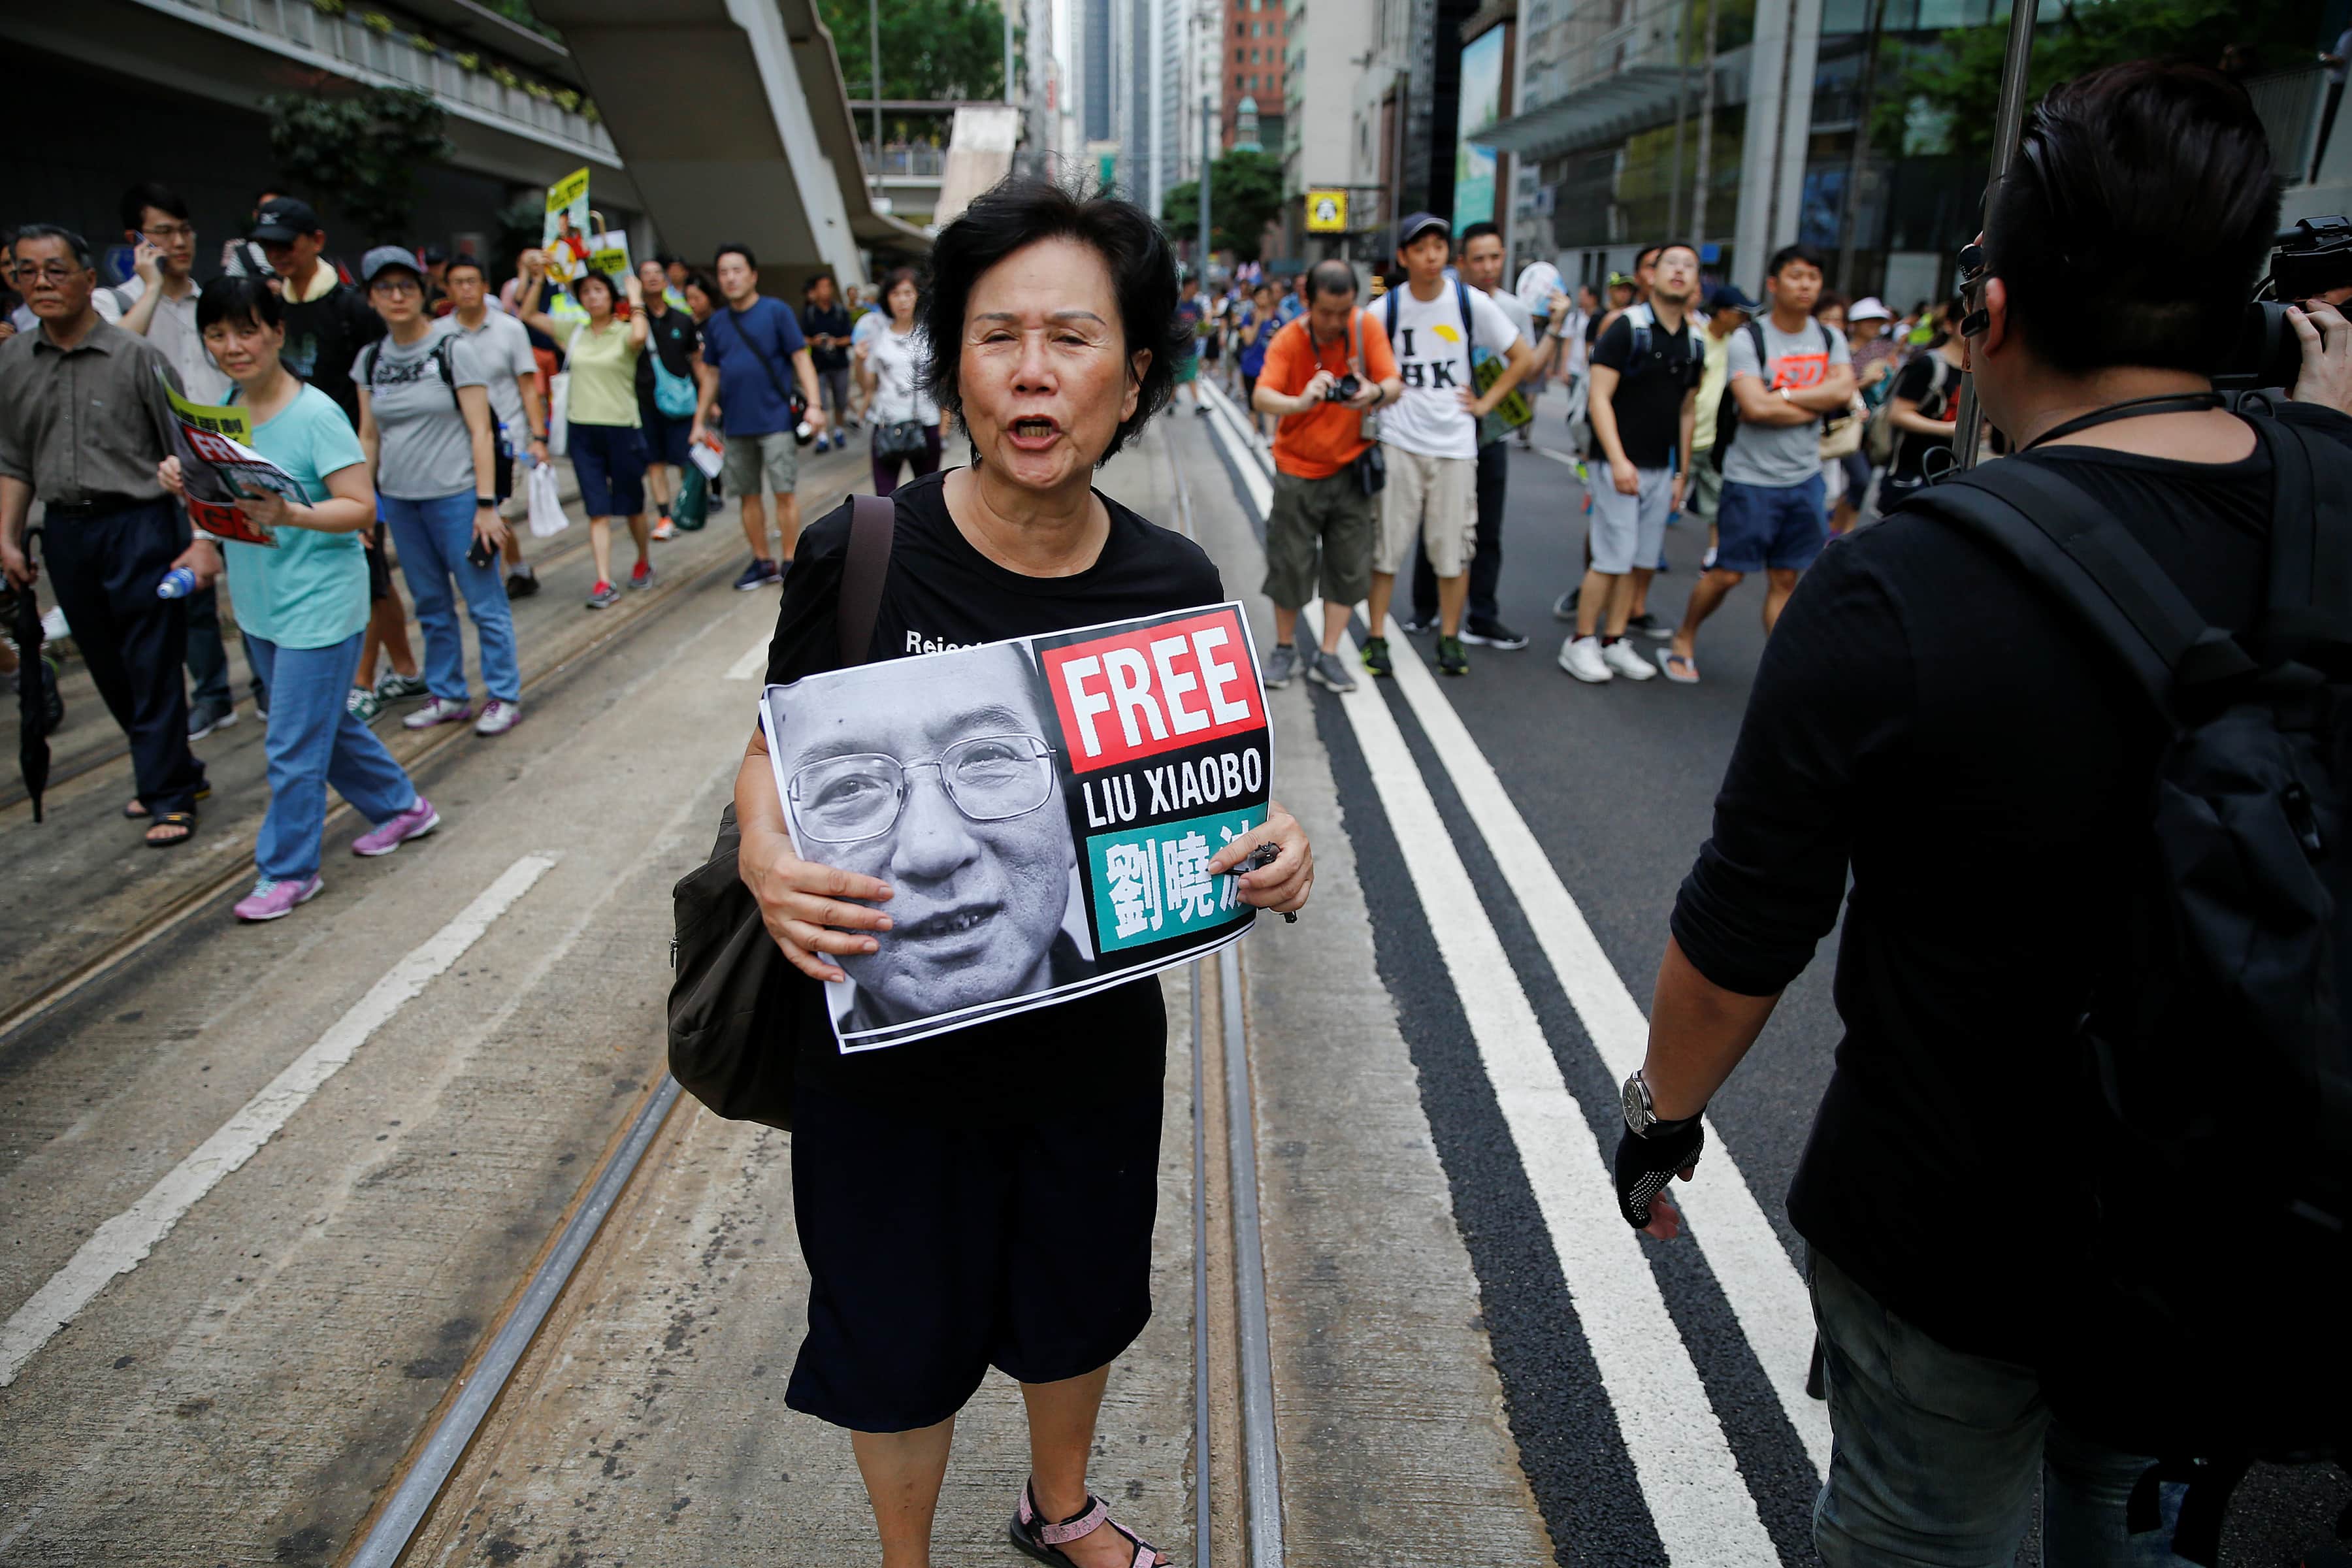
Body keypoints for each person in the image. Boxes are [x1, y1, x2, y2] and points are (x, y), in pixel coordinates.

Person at [1618, 60, 2352, 1564]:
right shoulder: (2332, 505)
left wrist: (1661, 1122)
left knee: (1913, 1533)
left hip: (1956, 1220)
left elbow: (1740, 934)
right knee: (2131, 1517)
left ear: (1988, 316)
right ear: (2250, 316)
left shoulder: (1899, 581)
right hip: (2241, 1202)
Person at [739, 175, 1314, 1568]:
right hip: (886, 1059)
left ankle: (1059, 1511)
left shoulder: (1174, 583)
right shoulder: (860, 552)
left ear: (1136, 378)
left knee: (1078, 1296)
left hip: (1089, 1045)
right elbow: (779, 742)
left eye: (1074, 338)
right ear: (955, 372)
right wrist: (765, 849)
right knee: (894, 1329)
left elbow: (1208, 796)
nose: (1034, 374)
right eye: (999, 338)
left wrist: (1274, 847)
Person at [157, 277, 439, 920]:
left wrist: (291, 513)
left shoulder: (316, 414)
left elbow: (361, 508)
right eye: (218, 334)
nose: (233, 346)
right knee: (323, 726)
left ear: (278, 333)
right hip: (260, 601)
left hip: (320, 601)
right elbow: (226, 506)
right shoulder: (223, 411)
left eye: (248, 330)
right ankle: (404, 808)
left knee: (290, 744)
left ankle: (288, 871)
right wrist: (184, 484)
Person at [0, 224, 219, 847]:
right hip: (66, 533)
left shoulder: (138, 358)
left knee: (152, 662)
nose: (41, 283)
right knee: (105, 666)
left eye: (55, 270)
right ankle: (175, 770)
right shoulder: (11, 362)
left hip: (141, 526)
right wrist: (8, 538)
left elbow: (186, 451)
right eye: (27, 272)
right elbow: (13, 459)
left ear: (88, 281)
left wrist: (201, 537)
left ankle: (170, 795)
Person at [252, 197, 421, 710]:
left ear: (317, 242)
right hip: (290, 465)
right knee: (374, 576)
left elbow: (377, 389)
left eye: (288, 243)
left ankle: (362, 682)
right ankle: (408, 669)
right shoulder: (272, 304)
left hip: (350, 468)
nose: (278, 254)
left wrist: (369, 467)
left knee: (362, 570)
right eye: (269, 246)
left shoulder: (352, 307)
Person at [1657, 243, 1852, 684]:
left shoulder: (1829, 338)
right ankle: (1685, 636)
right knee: (1726, 574)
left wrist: (1778, 397)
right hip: (1750, 479)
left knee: (1785, 577)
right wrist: (1810, 402)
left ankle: (1781, 669)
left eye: (1814, 278)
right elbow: (1753, 407)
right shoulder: (1751, 338)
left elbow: (1841, 392)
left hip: (1805, 477)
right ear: (1773, 283)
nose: (1805, 286)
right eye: (1796, 276)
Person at [352, 246, 521, 736]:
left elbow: (480, 431)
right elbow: (369, 434)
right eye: (385, 288)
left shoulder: (452, 349)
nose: (397, 296)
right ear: (371, 298)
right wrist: (366, 505)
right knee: (429, 602)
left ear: (424, 291)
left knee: (482, 599)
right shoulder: (370, 360)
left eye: (407, 286)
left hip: (457, 497)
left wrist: (486, 506)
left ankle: (503, 694)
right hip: (401, 501)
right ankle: (447, 693)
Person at [1362, 213, 1534, 680]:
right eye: (1420, 248)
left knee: (1453, 551)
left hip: (1456, 445)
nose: (1431, 255)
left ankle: (1450, 637)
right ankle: (1376, 636)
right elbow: (1362, 368)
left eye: (1438, 246)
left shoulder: (1469, 304)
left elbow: (1523, 357)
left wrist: (1486, 405)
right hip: (1400, 442)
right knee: (1387, 547)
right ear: (1404, 257)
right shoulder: (1385, 311)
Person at [112, 181, 242, 741]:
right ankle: (214, 695)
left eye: (184, 230)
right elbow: (114, 357)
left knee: (258, 568)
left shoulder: (212, 297)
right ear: (137, 239)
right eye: (163, 232)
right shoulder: (117, 303)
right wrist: (149, 287)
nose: (179, 241)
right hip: (167, 467)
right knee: (192, 587)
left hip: (232, 453)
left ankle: (267, 685)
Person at [1406, 221, 1565, 651]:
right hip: (1439, 434)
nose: (1488, 266)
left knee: (1486, 529)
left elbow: (1527, 365)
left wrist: (1556, 328)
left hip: (1488, 434)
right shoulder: (1438, 301)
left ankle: (1482, 615)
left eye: (1496, 257)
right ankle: (1425, 610)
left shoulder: (1511, 310)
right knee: (1434, 525)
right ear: (1463, 262)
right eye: (1479, 258)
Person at [1252, 259, 1403, 696]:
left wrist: (1372, 392)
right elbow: (1263, 395)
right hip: (1297, 471)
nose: (1336, 322)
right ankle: (1284, 648)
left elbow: (1394, 382)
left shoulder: (1364, 328)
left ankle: (1330, 653)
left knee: (1348, 565)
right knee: (1290, 564)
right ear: (1307, 302)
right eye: (1326, 313)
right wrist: (1300, 402)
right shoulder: (1290, 339)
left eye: (1345, 311)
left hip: (1352, 469)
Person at [1560, 241, 1702, 684]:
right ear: (1650, 275)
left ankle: (1614, 640)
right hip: (1618, 464)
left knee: (1640, 560)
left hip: (1662, 468)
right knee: (1611, 557)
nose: (1679, 272)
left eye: (1688, 266)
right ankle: (1581, 641)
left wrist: (1682, 472)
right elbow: (1599, 397)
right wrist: (1618, 460)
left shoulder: (1694, 341)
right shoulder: (1626, 328)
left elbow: (1687, 410)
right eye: (1670, 264)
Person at [517, 257, 651, 608]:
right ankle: (604, 581)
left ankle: (642, 560)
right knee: (597, 509)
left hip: (622, 427)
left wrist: (635, 296)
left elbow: (640, 335)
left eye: (599, 290)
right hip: (583, 430)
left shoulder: (624, 330)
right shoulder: (573, 331)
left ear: (611, 295)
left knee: (632, 505)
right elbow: (528, 316)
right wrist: (537, 278)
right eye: (586, 292)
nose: (592, 298)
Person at [694, 242, 825, 590]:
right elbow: (710, 376)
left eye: (737, 270)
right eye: (724, 272)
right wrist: (698, 422)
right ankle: (762, 561)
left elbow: (801, 359)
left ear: (753, 275)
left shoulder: (776, 312)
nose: (731, 278)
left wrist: (814, 404)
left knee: (784, 492)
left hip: (776, 421)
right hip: (736, 426)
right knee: (747, 495)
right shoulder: (718, 324)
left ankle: (789, 562)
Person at [429, 254, 548, 617]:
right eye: (458, 282)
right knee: (485, 513)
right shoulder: (437, 334)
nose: (466, 289)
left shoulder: (510, 329)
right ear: (447, 290)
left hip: (504, 439)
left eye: (472, 281)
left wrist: (538, 436)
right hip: (455, 439)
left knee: (496, 511)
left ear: (485, 287)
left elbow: (528, 387)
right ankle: (519, 569)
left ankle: (491, 587)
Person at [1685, 283, 1756, 568]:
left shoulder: (1739, 345)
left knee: (1717, 502)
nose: (1744, 321)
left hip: (1717, 438)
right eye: (1741, 314)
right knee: (1665, 498)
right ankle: (1648, 553)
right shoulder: (1695, 339)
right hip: (1688, 434)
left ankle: (1714, 553)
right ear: (1723, 313)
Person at [632, 256, 702, 540]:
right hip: (646, 403)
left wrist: (709, 401)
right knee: (655, 463)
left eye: (656, 273)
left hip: (681, 404)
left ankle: (687, 506)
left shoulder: (682, 320)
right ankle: (664, 515)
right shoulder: (633, 321)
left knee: (686, 460)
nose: (651, 278)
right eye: (645, 274)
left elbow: (697, 361)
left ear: (666, 279)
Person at [1876, 297, 1968, 509]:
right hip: (1911, 474)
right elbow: (1898, 414)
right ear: (1948, 325)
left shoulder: (1980, 371)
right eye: (1966, 320)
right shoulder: (1928, 364)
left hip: (1951, 474)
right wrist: (1948, 429)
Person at [857, 267, 941, 497]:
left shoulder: (931, 337)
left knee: (928, 496)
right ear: (887, 299)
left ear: (918, 296)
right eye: (895, 294)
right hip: (887, 424)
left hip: (925, 423)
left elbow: (943, 382)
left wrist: (945, 423)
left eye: (908, 293)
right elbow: (867, 385)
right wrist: (858, 360)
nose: (902, 300)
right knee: (884, 498)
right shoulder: (877, 337)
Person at [1813, 295, 1874, 536]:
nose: (1832, 324)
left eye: (1837, 319)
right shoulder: (1808, 349)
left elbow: (1848, 384)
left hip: (1839, 428)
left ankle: (1836, 535)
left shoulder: (1840, 350)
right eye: (1826, 318)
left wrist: (1858, 406)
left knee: (1848, 484)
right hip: (1808, 429)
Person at [802, 273, 854, 453]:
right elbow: (802, 338)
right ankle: (823, 435)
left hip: (839, 363)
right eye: (821, 287)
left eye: (828, 286)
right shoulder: (809, 314)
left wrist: (835, 342)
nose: (825, 291)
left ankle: (838, 430)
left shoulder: (840, 312)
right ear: (815, 291)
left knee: (840, 399)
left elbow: (850, 337)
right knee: (821, 401)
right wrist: (814, 341)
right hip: (819, 365)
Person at [1235, 281, 1277, 440]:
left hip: (1270, 367)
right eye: (1260, 297)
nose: (1263, 300)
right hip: (1251, 366)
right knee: (1253, 402)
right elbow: (1248, 341)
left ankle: (1270, 435)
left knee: (1269, 400)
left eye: (1267, 297)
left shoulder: (1277, 318)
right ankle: (1255, 432)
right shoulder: (1248, 317)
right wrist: (1257, 322)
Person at [1171, 270, 1207, 415]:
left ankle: (1198, 404)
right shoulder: (1176, 306)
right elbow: (1168, 325)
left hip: (1191, 348)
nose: (1196, 290)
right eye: (1194, 286)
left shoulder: (1196, 306)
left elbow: (1201, 324)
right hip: (1176, 349)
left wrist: (1203, 330)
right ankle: (1171, 402)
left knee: (1192, 376)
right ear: (1186, 287)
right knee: (1174, 379)